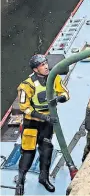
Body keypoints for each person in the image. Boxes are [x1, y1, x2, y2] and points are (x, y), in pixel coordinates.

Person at [15, 54, 70, 195]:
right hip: (32, 123)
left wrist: (59, 98)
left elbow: (65, 93)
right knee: (28, 152)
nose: (46, 66)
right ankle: (20, 180)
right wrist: (43, 117)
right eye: (41, 65)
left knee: (46, 150)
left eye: (46, 63)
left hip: (47, 123)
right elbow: (24, 107)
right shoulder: (27, 85)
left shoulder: (54, 78)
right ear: (35, 69)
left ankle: (43, 178)